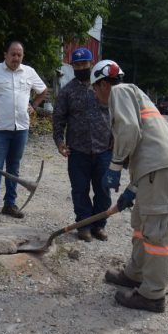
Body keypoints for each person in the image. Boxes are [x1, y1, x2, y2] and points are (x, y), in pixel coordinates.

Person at [89, 59, 168, 313]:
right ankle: (135, 274)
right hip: (153, 169)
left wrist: (114, 167)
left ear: (101, 85)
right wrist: (132, 188)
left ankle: (152, 294)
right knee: (141, 224)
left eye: (94, 89)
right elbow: (144, 141)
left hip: (159, 170)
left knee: (155, 232)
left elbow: (130, 130)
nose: (96, 95)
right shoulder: (133, 93)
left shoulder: (119, 92)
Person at [0, 40, 48, 223]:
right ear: (5, 54)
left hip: (21, 129)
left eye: (19, 55)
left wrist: (34, 105)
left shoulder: (29, 72)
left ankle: (10, 204)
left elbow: (43, 91)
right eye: (13, 54)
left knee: (14, 167)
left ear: (22, 56)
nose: (16, 58)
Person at [52, 47, 112, 242]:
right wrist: (60, 142)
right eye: (77, 65)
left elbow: (116, 116)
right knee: (80, 190)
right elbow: (58, 119)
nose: (81, 67)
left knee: (103, 190)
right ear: (72, 66)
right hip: (78, 151)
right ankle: (83, 226)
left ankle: (99, 225)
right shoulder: (67, 91)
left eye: (84, 64)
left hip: (104, 149)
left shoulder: (103, 87)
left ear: (91, 63)